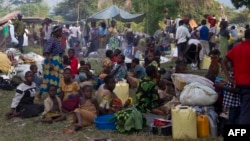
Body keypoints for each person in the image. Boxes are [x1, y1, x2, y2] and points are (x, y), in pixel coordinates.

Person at [221, 29, 250, 124]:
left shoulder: (237, 48)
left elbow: (223, 62)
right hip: (248, 85)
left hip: (238, 84)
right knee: (246, 111)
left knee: (243, 108)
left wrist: (229, 78)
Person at [40, 25, 64, 96]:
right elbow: (46, 52)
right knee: (49, 79)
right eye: (60, 32)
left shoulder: (57, 40)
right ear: (56, 32)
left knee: (56, 78)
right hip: (52, 61)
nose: (61, 33)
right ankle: (39, 94)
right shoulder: (51, 40)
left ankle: (56, 94)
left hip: (57, 61)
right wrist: (50, 63)